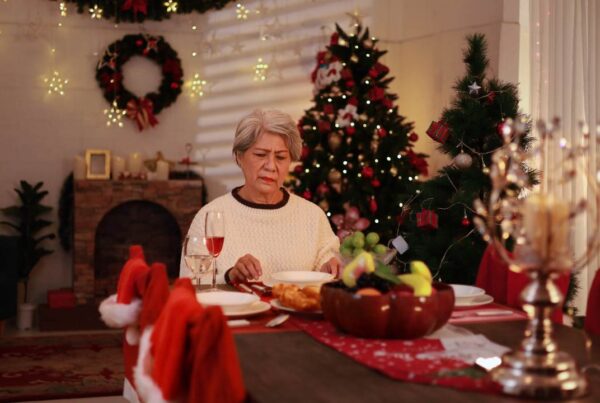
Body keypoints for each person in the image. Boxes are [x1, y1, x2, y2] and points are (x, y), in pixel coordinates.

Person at [180, 109, 341, 284]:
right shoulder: (210, 216)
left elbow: (328, 274)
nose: (271, 166)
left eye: (280, 157)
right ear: (239, 157)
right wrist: (230, 276)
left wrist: (330, 270)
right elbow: (189, 284)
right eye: (260, 155)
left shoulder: (312, 216)